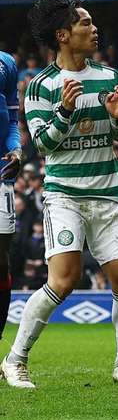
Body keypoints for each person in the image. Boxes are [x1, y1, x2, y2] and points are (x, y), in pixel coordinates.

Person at [3, 0, 118, 388]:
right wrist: (64, 112)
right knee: (64, 280)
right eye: (85, 24)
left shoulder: (108, 77)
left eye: (93, 23)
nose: (93, 29)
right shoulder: (41, 87)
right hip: (64, 196)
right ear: (63, 35)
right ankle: (16, 359)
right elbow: (43, 145)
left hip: (107, 194)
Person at [0, 49, 21, 343]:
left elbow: (13, 119)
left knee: (1, 262)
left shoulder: (6, 62)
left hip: (0, 173)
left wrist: (16, 148)